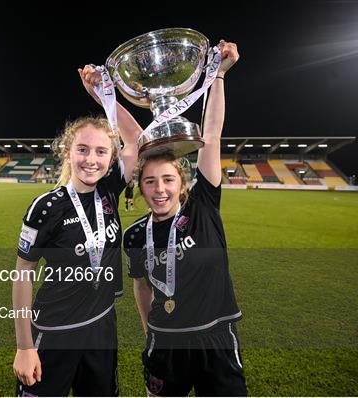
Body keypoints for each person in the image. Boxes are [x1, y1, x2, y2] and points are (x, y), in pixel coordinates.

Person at [124, 41, 246, 396]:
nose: (159, 189)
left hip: (216, 340)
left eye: (167, 180)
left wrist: (219, 75)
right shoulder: (135, 235)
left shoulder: (203, 208)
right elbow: (141, 286)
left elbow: (212, 135)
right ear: (141, 188)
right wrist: (151, 331)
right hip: (165, 343)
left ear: (182, 184)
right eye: (150, 181)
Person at [12, 66, 142, 396]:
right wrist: (25, 346)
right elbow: (22, 275)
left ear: (110, 157)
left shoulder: (111, 189)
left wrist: (102, 96)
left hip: (102, 327)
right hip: (54, 331)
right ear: (68, 152)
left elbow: (138, 141)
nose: (91, 160)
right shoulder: (46, 208)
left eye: (101, 151)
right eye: (82, 149)